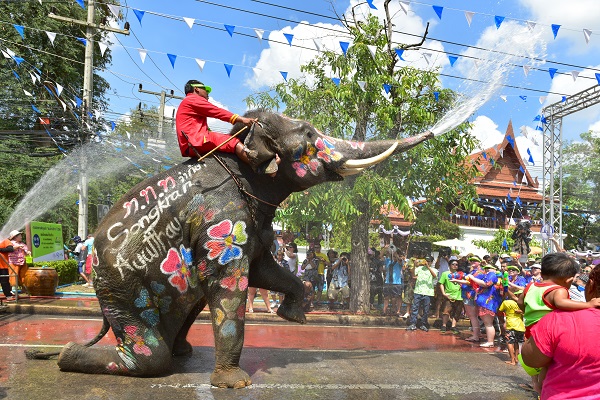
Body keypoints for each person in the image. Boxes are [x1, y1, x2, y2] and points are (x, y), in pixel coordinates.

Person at [518, 252, 600, 395]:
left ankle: (539, 386)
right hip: (543, 329)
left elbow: (520, 302)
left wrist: (529, 313)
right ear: (568, 280)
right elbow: (562, 303)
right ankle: (540, 385)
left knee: (546, 365)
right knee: (546, 366)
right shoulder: (558, 290)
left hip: (532, 327)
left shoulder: (530, 286)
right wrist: (588, 304)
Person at [175, 80, 279, 174]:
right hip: (196, 141)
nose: (208, 94)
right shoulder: (193, 99)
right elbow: (216, 112)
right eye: (205, 90)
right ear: (196, 89)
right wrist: (242, 119)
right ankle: (264, 168)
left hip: (189, 145)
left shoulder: (187, 102)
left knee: (224, 138)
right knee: (233, 142)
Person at [468, 262, 504, 347]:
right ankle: (490, 341)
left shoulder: (492, 275)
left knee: (488, 323)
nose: (487, 269)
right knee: (487, 323)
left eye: (489, 268)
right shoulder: (487, 275)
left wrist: (472, 278)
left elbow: (486, 284)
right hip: (484, 303)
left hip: (488, 303)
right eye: (486, 268)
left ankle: (490, 341)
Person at [406, 256, 438, 332]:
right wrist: (414, 265)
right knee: (415, 308)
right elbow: (413, 276)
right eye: (426, 261)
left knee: (426, 310)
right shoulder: (419, 269)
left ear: (431, 262)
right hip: (418, 291)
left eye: (429, 261)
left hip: (428, 292)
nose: (427, 262)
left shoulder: (434, 270)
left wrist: (428, 267)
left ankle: (423, 324)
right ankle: (413, 323)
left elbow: (434, 276)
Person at [499, 290, 525, 366]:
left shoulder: (507, 302)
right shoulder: (522, 304)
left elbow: (500, 310)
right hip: (520, 326)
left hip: (511, 325)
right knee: (517, 342)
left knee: (509, 342)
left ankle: (512, 360)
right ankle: (516, 358)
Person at [437, 258, 463, 334]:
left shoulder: (460, 274)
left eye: (456, 265)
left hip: (459, 295)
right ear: (449, 265)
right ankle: (444, 325)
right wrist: (444, 293)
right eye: (453, 264)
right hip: (449, 295)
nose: (455, 266)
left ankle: (453, 326)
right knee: (446, 311)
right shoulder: (445, 273)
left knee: (457, 312)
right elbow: (441, 283)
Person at [382, 247, 403, 315]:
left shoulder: (400, 261)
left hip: (396, 283)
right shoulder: (388, 261)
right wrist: (385, 248)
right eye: (393, 256)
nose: (393, 256)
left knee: (397, 297)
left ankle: (398, 311)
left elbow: (400, 262)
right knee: (386, 297)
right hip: (388, 282)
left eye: (395, 255)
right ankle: (384, 311)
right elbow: (381, 256)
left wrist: (395, 253)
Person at [0, 233, 15, 299]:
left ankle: (8, 296)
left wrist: (0, 249)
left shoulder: (5, 240)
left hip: (3, 266)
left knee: (4, 281)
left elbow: (10, 249)